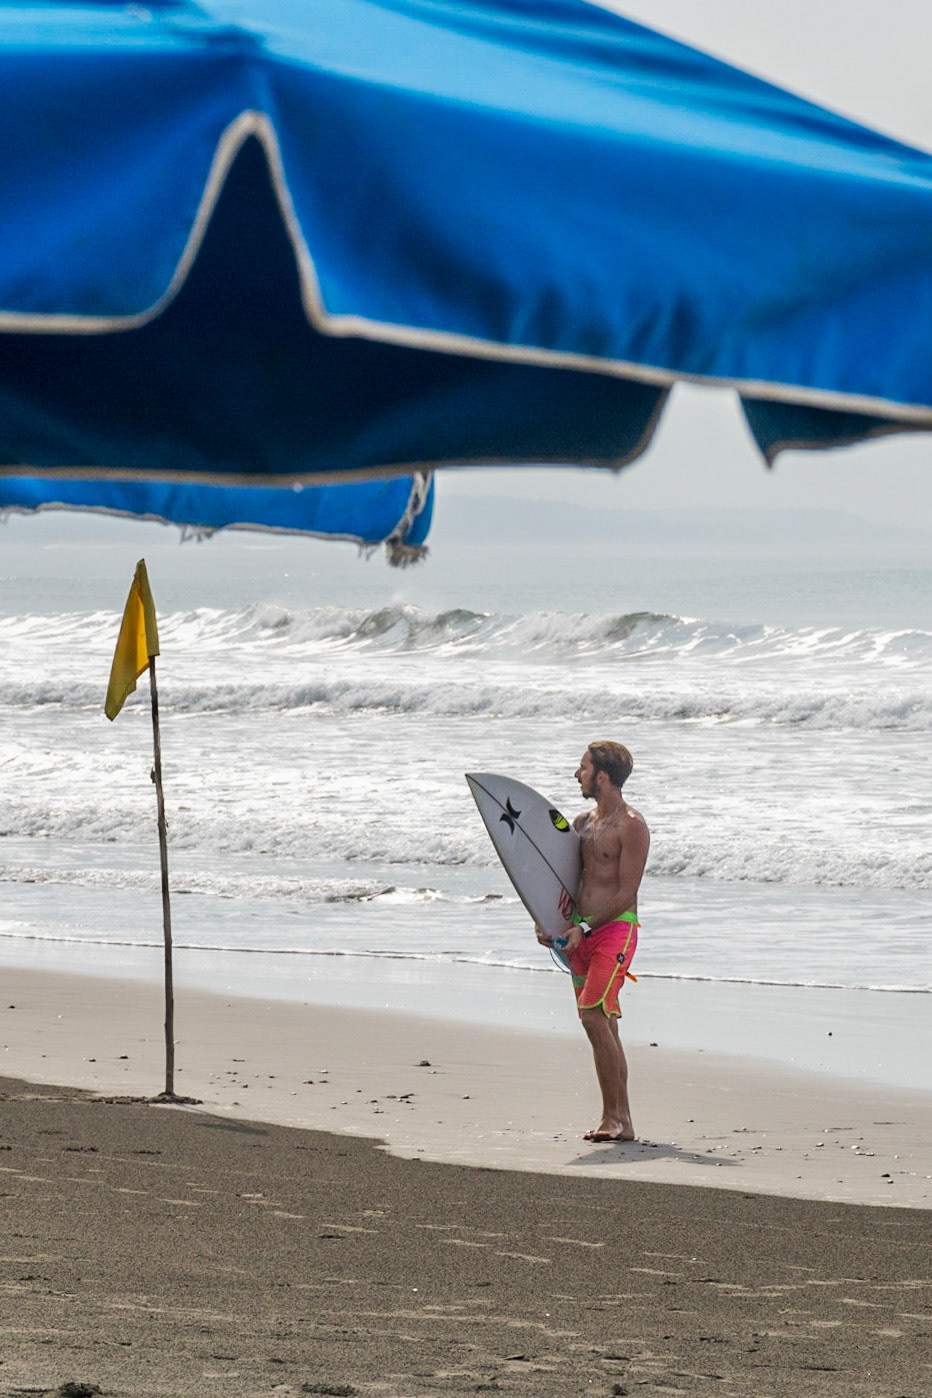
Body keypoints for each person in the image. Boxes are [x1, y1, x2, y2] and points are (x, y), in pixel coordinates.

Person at [536, 741, 649, 1142]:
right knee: (605, 1025)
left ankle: (617, 1120)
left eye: (582, 768)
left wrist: (583, 929)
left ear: (602, 775)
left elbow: (626, 893)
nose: (576, 774)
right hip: (579, 934)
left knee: (592, 1017)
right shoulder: (582, 823)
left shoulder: (631, 826)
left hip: (615, 930)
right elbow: (564, 881)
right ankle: (618, 1119)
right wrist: (549, 923)